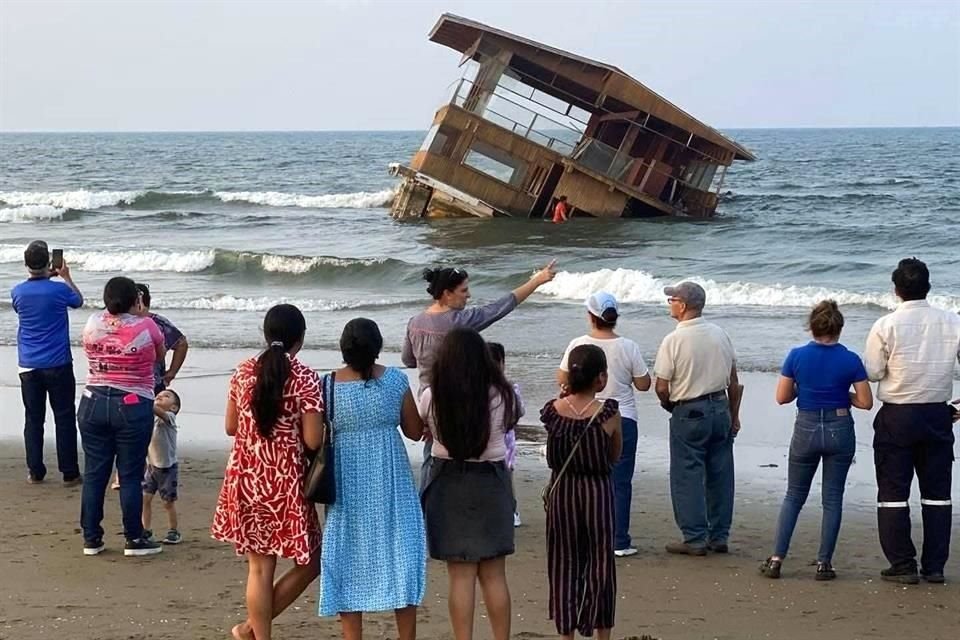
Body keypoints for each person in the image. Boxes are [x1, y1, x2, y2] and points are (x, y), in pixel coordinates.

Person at [211, 304, 324, 640]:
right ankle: (249, 629)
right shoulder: (305, 378)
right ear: (300, 339)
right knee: (310, 563)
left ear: (266, 334)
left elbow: (231, 427)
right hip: (285, 481)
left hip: (245, 477)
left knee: (259, 568)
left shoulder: (243, 371)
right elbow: (313, 439)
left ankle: (253, 631)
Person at [402, 261, 557, 487]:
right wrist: (536, 281)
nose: (468, 295)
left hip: (428, 402)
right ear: (446, 294)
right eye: (463, 290)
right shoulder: (459, 322)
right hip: (458, 402)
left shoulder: (415, 322)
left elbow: (408, 360)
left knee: (433, 458)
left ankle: (428, 507)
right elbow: (500, 307)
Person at [319, 318, 426, 640]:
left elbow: (314, 434)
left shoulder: (327, 385)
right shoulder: (394, 380)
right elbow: (414, 430)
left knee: (347, 556)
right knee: (402, 552)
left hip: (346, 481)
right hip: (390, 477)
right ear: (377, 347)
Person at [418, 328, 520, 640]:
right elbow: (513, 420)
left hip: (447, 480)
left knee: (460, 577)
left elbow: (422, 423)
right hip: (491, 478)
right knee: (494, 574)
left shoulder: (433, 395)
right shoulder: (503, 394)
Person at [863, 258, 960, 585]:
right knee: (937, 493)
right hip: (937, 412)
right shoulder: (952, 321)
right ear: (928, 287)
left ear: (896, 290)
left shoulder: (885, 325)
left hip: (898, 414)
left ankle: (902, 562)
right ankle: (934, 566)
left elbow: (874, 371)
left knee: (892, 491)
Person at [760, 301, 873, 581]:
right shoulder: (850, 359)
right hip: (839, 426)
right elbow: (866, 402)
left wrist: (804, 387)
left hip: (807, 425)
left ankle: (776, 559)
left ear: (812, 326)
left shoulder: (797, 356)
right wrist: (843, 394)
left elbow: (782, 397)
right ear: (839, 328)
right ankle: (824, 563)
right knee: (832, 498)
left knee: (794, 495)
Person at [558, 292, 650, 557]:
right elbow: (643, 384)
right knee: (620, 481)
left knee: (584, 477)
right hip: (623, 416)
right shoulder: (628, 346)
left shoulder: (578, 344)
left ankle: (585, 537)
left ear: (590, 316)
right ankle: (618, 540)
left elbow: (561, 377)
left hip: (583, 414)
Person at [78, 276, 165, 558]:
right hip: (132, 402)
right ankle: (134, 538)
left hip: (93, 399)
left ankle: (91, 538)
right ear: (135, 300)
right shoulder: (146, 326)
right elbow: (158, 356)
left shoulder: (92, 323)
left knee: (94, 475)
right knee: (129, 474)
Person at [653, 281, 742, 556]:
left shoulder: (674, 340)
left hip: (690, 409)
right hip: (719, 405)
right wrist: (734, 415)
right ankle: (719, 534)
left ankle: (694, 537)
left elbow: (661, 385)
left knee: (687, 473)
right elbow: (734, 381)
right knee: (721, 473)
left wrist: (669, 405)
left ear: (682, 305)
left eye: (672, 300)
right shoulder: (719, 334)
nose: (670, 304)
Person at [542, 344, 622, 640]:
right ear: (600, 379)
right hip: (597, 492)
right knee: (601, 565)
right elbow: (614, 456)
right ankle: (602, 634)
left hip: (563, 492)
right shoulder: (608, 413)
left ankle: (567, 634)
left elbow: (553, 457)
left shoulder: (553, 412)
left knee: (563, 563)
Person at [11, 240, 84, 485]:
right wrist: (65, 277)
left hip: (29, 364)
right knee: (63, 417)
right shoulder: (59, 290)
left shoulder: (18, 291)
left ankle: (35, 470)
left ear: (26, 264)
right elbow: (78, 300)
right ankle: (69, 471)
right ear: (48, 262)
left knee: (33, 418)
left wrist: (46, 277)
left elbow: (22, 307)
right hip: (58, 362)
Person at [111, 283, 189, 490]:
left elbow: (181, 342)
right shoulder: (118, 322)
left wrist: (171, 372)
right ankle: (125, 472)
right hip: (124, 383)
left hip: (151, 385)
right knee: (125, 429)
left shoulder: (156, 323)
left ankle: (155, 469)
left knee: (151, 431)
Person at [488, 342, 525, 528]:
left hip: (489, 440)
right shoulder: (510, 389)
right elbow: (519, 412)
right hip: (506, 437)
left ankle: (503, 510)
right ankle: (512, 511)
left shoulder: (478, 389)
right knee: (507, 476)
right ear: (502, 362)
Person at [142, 388, 183, 545]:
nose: (160, 396)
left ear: (174, 407)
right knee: (145, 499)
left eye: (166, 396)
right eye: (158, 395)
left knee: (168, 503)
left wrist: (145, 398)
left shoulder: (170, 418)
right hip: (151, 466)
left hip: (167, 468)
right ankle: (146, 529)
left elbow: (160, 412)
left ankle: (173, 530)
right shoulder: (150, 418)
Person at [135, 283, 188, 392]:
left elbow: (181, 343)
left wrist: (172, 372)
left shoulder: (116, 323)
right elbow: (181, 343)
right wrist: (172, 372)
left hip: (124, 384)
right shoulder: (158, 322)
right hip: (153, 382)